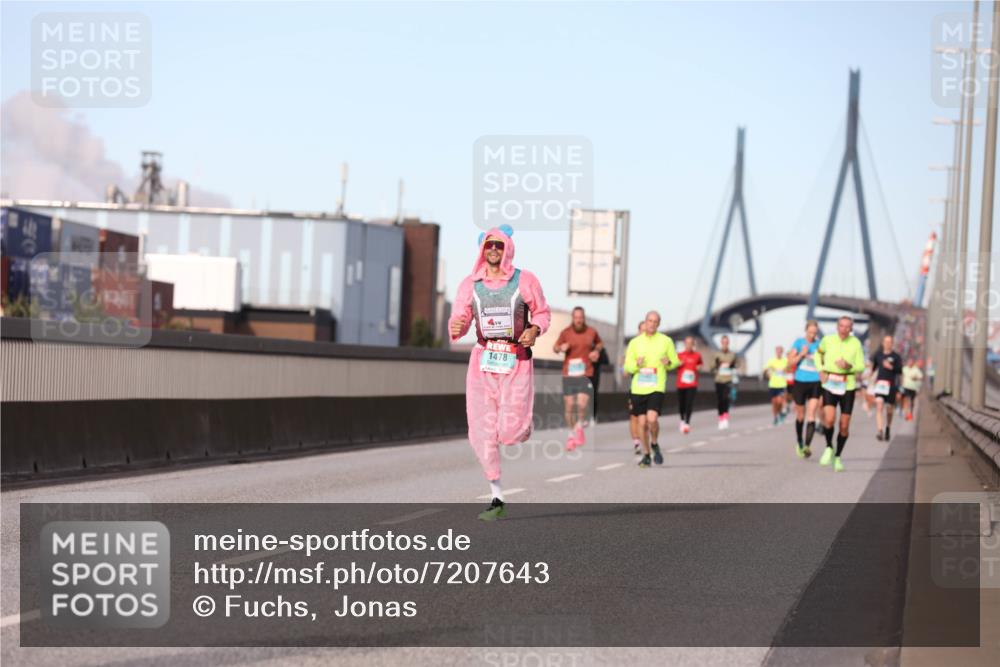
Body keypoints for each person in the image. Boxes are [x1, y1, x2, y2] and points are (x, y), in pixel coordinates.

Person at [448, 226, 550, 520]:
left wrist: (534, 329)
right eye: (489, 245)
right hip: (483, 361)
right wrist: (457, 326)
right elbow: (462, 316)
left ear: (507, 249)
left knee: (510, 431)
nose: (493, 249)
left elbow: (542, 313)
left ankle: (523, 425)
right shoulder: (470, 285)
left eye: (499, 245)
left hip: (515, 359)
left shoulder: (525, 280)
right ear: (482, 250)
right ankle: (497, 496)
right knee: (481, 432)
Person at [623, 311, 681, 467]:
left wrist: (668, 362)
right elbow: (627, 366)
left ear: (659, 324)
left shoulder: (666, 341)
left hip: (656, 386)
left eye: (655, 321)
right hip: (638, 388)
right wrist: (637, 364)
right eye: (649, 321)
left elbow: (676, 362)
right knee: (641, 423)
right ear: (645, 322)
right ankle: (647, 454)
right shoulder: (635, 343)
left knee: (652, 419)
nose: (652, 324)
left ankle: (654, 442)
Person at [816, 315, 866, 472]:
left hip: (848, 385)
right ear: (837, 327)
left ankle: (838, 456)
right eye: (841, 326)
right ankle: (829, 447)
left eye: (847, 326)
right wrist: (820, 370)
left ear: (851, 329)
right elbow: (818, 354)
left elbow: (861, 366)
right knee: (829, 420)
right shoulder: (827, 340)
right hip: (830, 383)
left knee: (844, 426)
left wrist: (848, 366)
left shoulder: (856, 343)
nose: (844, 329)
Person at [553, 307, 603, 451]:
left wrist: (596, 351)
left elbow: (599, 344)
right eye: (576, 317)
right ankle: (571, 434)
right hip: (569, 373)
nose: (579, 320)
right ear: (572, 318)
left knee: (581, 404)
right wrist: (561, 348)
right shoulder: (566, 333)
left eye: (581, 317)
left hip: (585, 372)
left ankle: (579, 426)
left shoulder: (591, 332)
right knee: (569, 406)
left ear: (584, 318)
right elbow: (555, 348)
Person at [787, 320, 822, 458]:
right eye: (810, 332)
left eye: (814, 333)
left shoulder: (819, 345)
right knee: (800, 415)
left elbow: (825, 362)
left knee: (811, 413)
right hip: (800, 382)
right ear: (805, 330)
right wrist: (802, 354)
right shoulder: (798, 343)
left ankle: (807, 446)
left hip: (815, 382)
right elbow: (790, 363)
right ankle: (800, 441)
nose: (812, 335)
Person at [870, 335, 902, 442]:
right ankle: (880, 430)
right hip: (880, 385)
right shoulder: (878, 355)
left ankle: (888, 427)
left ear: (892, 343)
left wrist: (891, 367)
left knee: (889, 410)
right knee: (879, 406)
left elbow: (900, 371)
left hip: (891, 386)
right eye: (886, 342)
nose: (888, 344)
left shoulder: (896, 356)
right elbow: (873, 368)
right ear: (883, 343)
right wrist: (869, 379)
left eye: (890, 342)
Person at [675, 336, 703, 434]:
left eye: (691, 343)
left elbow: (700, 365)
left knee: (689, 403)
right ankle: (682, 419)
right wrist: (678, 364)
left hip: (692, 384)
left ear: (693, 344)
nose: (689, 345)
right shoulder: (679, 355)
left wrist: (699, 367)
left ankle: (687, 423)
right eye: (687, 343)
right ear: (684, 344)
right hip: (681, 384)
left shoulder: (697, 355)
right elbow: (673, 365)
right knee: (682, 404)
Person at [627, 320, 646, 455]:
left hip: (652, 387)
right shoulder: (633, 346)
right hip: (636, 386)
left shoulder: (656, 346)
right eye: (642, 330)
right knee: (634, 415)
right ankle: (636, 443)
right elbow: (626, 367)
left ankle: (647, 439)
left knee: (647, 417)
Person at [711, 335, 738, 429]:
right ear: (721, 343)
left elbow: (737, 364)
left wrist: (732, 365)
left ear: (728, 343)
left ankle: (725, 417)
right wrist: (718, 366)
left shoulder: (732, 354)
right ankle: (721, 417)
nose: (725, 344)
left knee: (726, 398)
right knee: (720, 400)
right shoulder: (717, 354)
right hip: (719, 380)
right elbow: (711, 367)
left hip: (728, 380)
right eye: (723, 342)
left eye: (726, 342)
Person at [764, 345, 789, 426]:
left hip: (781, 384)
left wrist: (786, 371)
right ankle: (775, 417)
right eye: (777, 351)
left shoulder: (785, 361)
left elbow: (789, 369)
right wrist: (768, 374)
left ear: (782, 352)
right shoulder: (771, 361)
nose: (778, 353)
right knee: (774, 402)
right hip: (772, 384)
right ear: (775, 352)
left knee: (779, 401)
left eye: (780, 351)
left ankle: (781, 412)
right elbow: (765, 369)